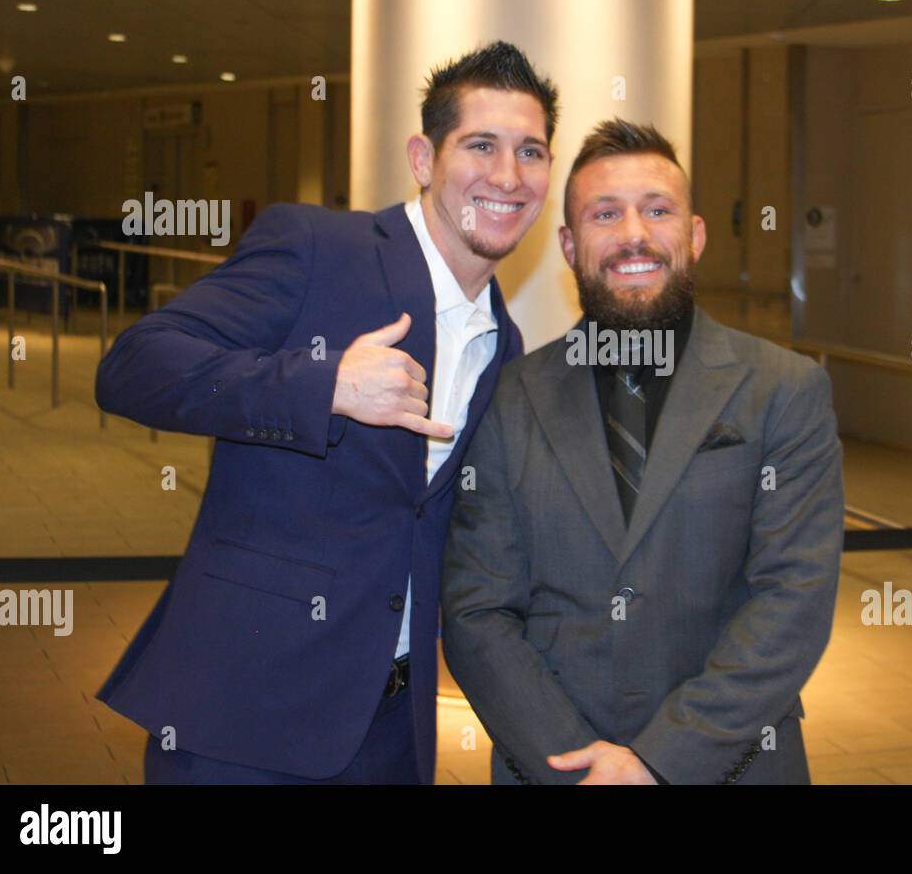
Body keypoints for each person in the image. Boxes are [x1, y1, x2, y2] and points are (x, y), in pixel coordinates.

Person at [94, 41, 557, 784]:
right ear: (422, 157)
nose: (508, 175)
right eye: (482, 145)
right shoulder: (318, 246)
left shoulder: (505, 344)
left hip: (390, 732)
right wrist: (322, 384)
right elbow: (134, 365)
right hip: (244, 713)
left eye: (531, 151)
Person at [441, 118, 844, 785]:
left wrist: (661, 762)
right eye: (606, 214)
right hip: (553, 767)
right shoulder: (509, 398)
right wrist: (578, 766)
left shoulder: (784, 390)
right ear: (569, 245)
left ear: (695, 235)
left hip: (734, 763)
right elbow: (478, 610)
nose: (634, 234)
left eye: (658, 211)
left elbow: (792, 602)